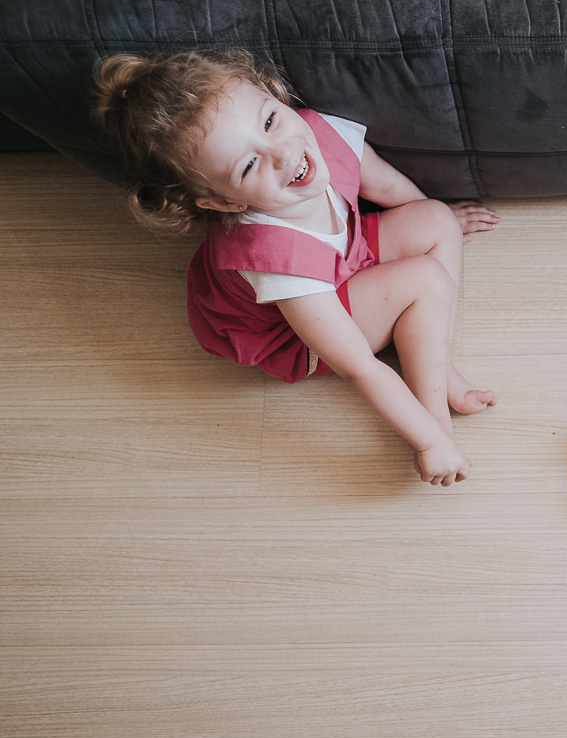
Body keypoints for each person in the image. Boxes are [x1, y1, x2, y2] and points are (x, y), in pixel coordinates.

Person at [92, 49, 499, 487]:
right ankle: (436, 410)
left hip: (344, 258)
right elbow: (358, 365)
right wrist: (428, 440)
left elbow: (388, 187)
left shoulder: (314, 133)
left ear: (273, 95)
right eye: (249, 165)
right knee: (426, 280)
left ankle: (433, 360)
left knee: (435, 216)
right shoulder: (273, 258)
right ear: (227, 202)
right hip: (298, 333)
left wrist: (437, 226)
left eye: (269, 121)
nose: (283, 154)